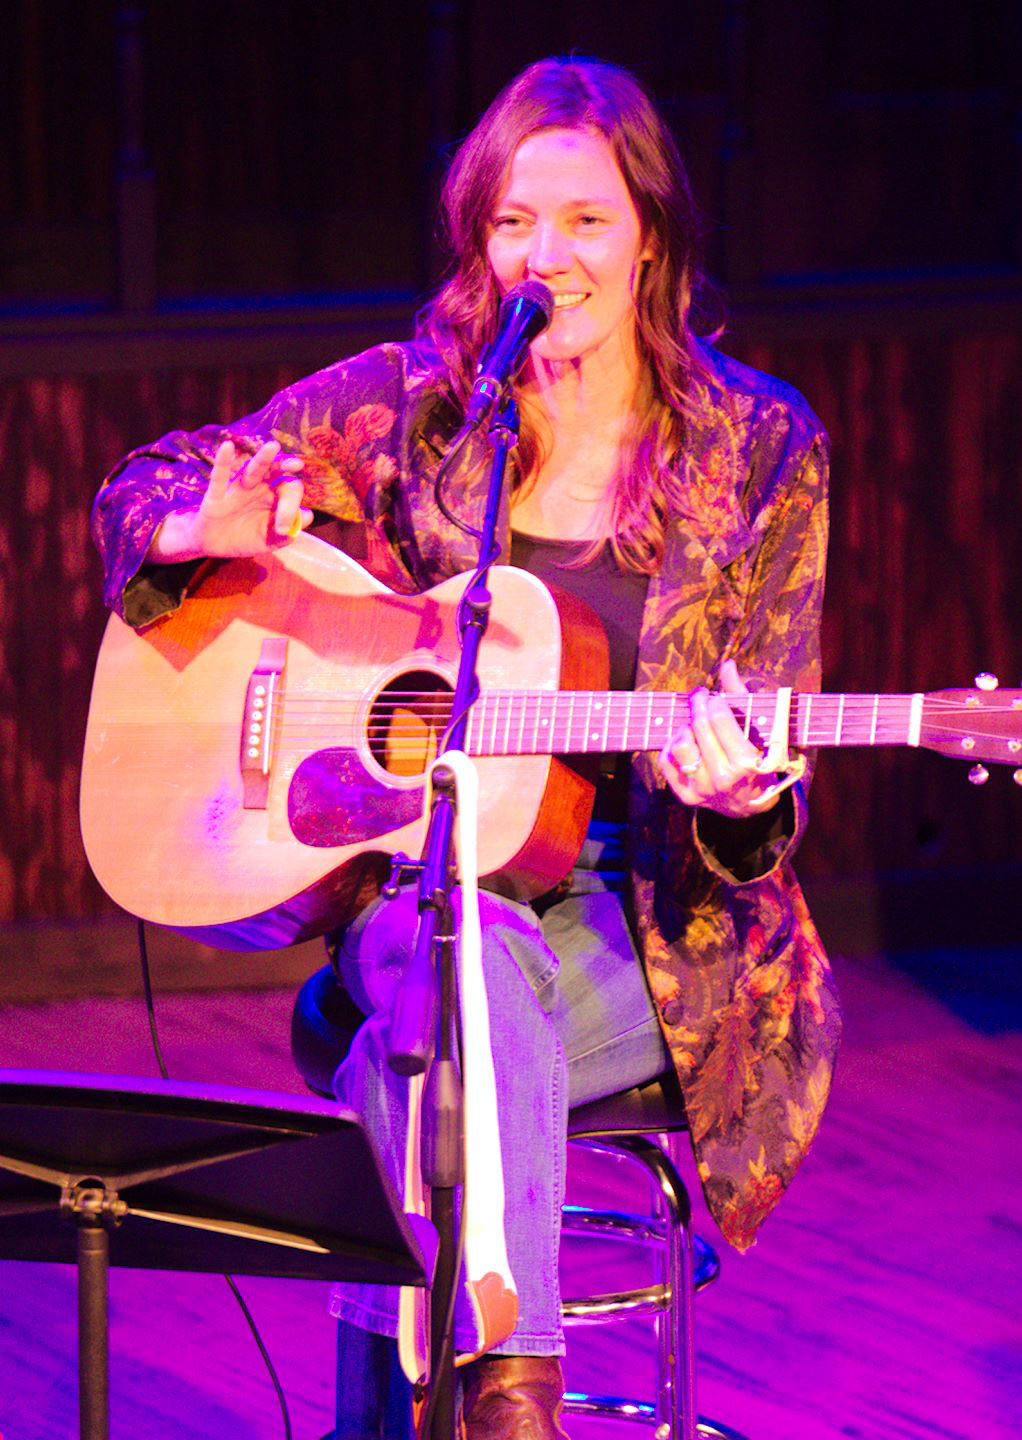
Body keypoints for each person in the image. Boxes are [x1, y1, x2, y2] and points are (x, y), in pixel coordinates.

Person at [93, 56, 841, 1440]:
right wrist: (204, 529)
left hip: (663, 946)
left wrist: (740, 797)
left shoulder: (760, 447)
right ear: (477, 242)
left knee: (425, 1054)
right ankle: (509, 1408)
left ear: (654, 238)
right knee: (463, 958)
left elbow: (768, 807)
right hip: (422, 900)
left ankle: (417, 1420)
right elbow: (140, 486)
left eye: (587, 223)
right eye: (513, 225)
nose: (545, 258)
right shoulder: (415, 411)